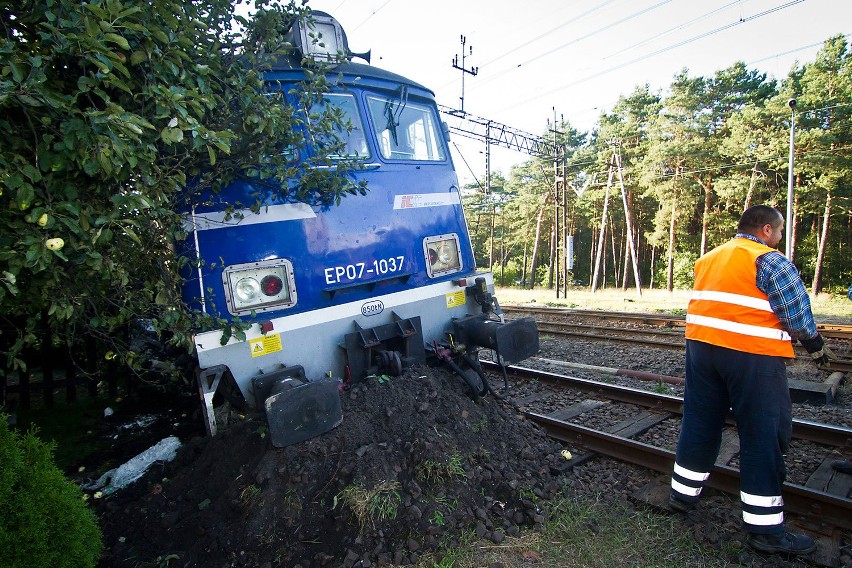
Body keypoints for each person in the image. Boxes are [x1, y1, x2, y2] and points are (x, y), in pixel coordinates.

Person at [669, 205, 836, 556]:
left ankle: (681, 496)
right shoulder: (769, 260)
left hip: (702, 352)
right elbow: (797, 315)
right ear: (764, 230)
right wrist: (816, 347)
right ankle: (766, 532)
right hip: (752, 357)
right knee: (763, 434)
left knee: (700, 422)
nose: (779, 238)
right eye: (778, 231)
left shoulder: (710, 258)